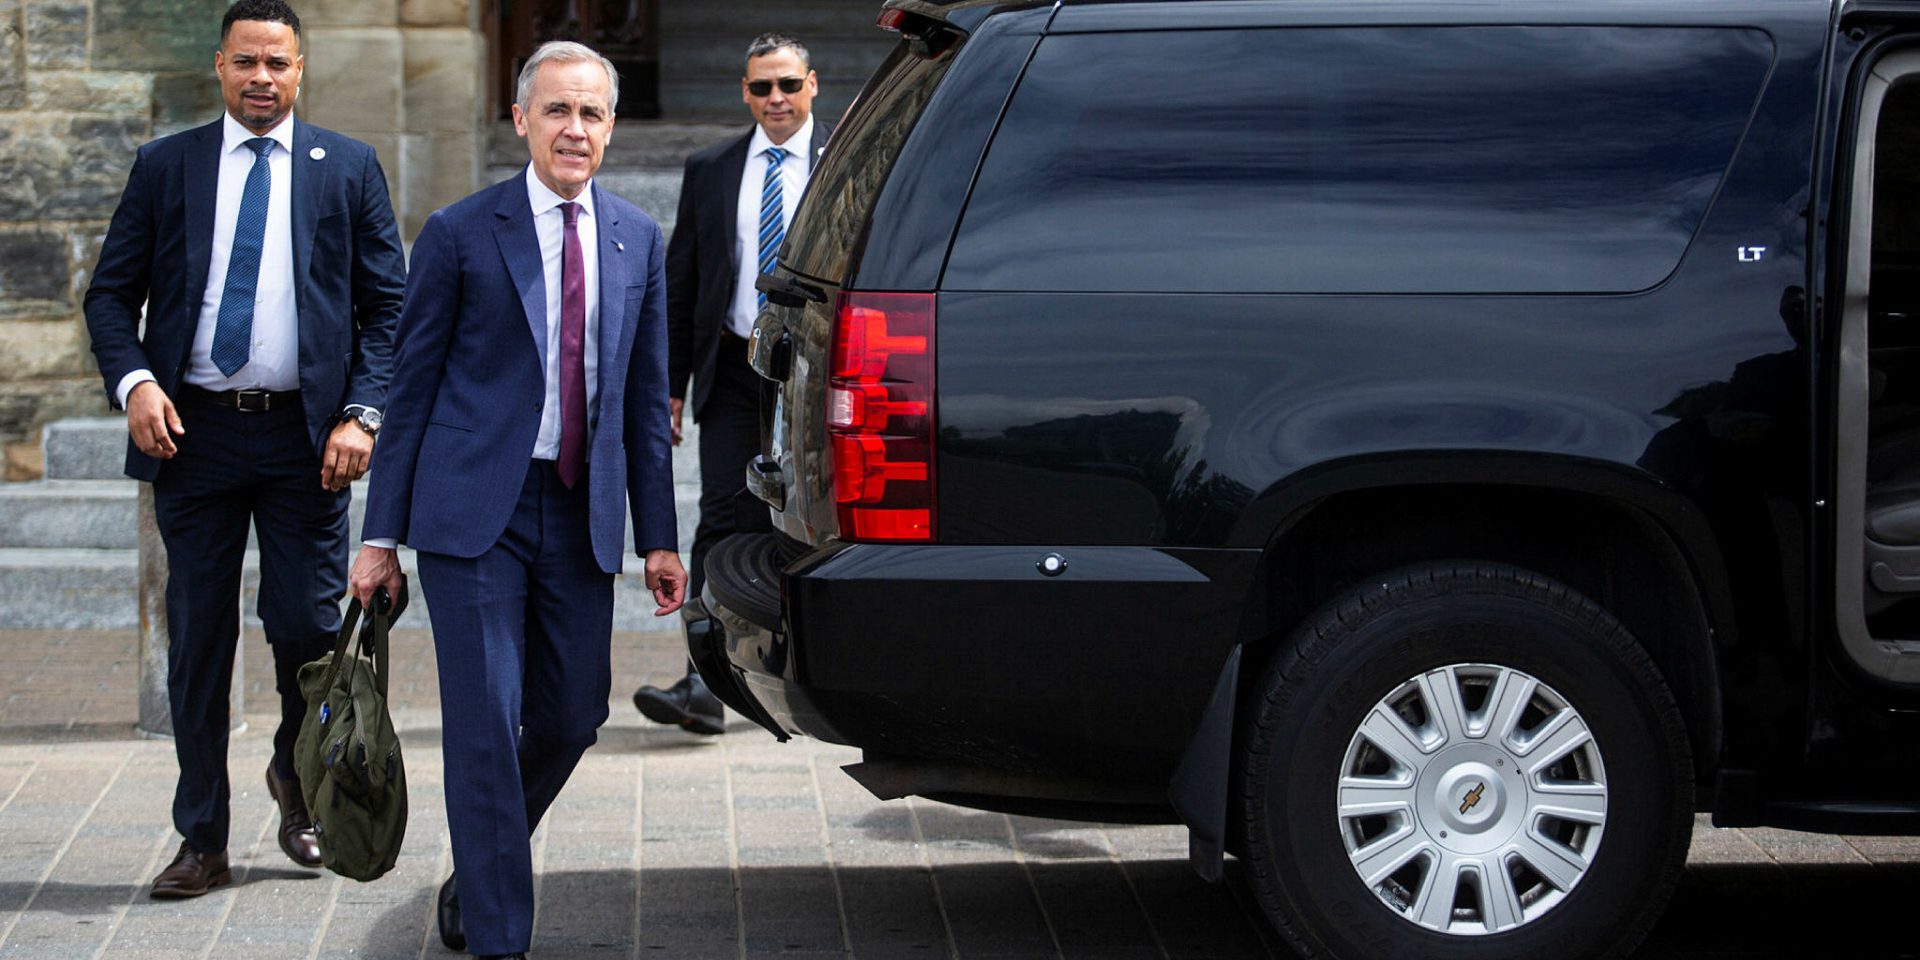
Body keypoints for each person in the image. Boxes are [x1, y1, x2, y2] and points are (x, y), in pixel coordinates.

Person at [348, 39, 685, 960]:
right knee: (487, 721)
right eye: (557, 111)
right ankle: (502, 935)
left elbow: (642, 403)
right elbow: (410, 393)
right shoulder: (461, 232)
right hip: (472, 518)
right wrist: (379, 535)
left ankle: (480, 862)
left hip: (580, 512)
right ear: (521, 119)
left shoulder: (637, 239)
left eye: (591, 114)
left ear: (610, 129)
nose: (574, 129)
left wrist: (660, 535)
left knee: (576, 714)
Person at [83, 0, 405, 899]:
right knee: (199, 641)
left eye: (279, 63)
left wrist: (363, 413)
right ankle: (202, 837)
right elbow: (110, 298)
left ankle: (292, 782)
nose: (262, 77)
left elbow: (388, 307)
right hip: (195, 436)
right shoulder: (165, 166)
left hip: (311, 441)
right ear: (219, 67)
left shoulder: (347, 167)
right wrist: (136, 384)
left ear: (302, 69)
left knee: (304, 631)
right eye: (246, 62)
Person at [632, 32, 833, 735]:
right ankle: (703, 681)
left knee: (815, 522)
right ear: (743, 94)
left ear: (812, 85)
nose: (774, 99)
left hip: (817, 377)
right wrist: (669, 383)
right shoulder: (712, 167)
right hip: (734, 370)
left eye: (786, 85)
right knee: (721, 518)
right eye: (760, 88)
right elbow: (684, 278)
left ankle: (814, 672)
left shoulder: (848, 160)